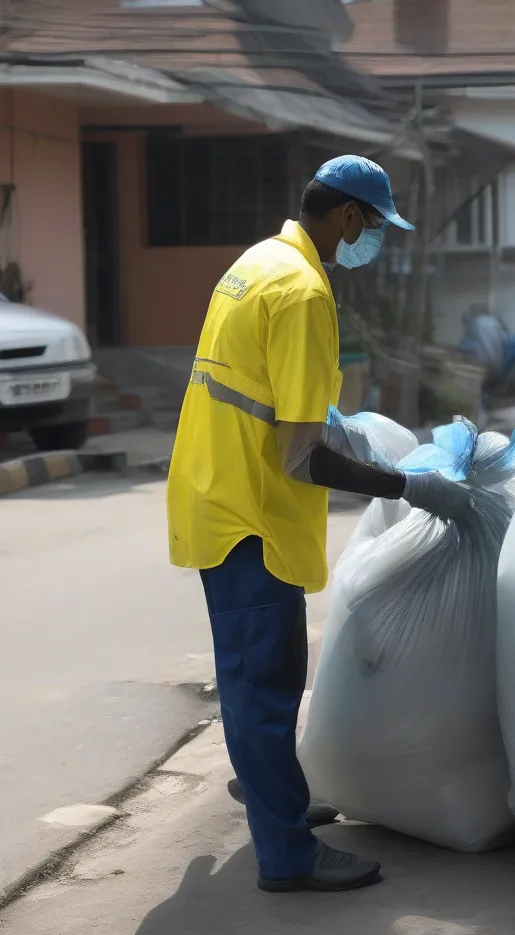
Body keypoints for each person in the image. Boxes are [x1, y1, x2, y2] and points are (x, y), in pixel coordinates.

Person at [166, 155, 472, 892]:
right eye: (371, 225)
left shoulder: (258, 262)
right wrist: (410, 485)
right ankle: (289, 855)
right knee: (263, 689)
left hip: (218, 491)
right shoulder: (304, 292)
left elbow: (262, 393)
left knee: (255, 678)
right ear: (346, 216)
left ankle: (273, 793)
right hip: (253, 512)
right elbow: (303, 460)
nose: (370, 240)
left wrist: (335, 425)